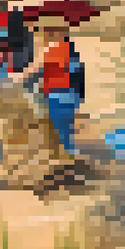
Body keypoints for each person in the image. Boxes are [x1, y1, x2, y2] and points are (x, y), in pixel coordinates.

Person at [31, 19, 84, 157]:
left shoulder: (52, 50)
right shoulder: (71, 50)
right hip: (70, 95)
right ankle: (69, 151)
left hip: (56, 94)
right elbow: (78, 73)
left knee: (58, 129)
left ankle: (63, 155)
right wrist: (80, 97)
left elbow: (37, 72)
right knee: (67, 127)